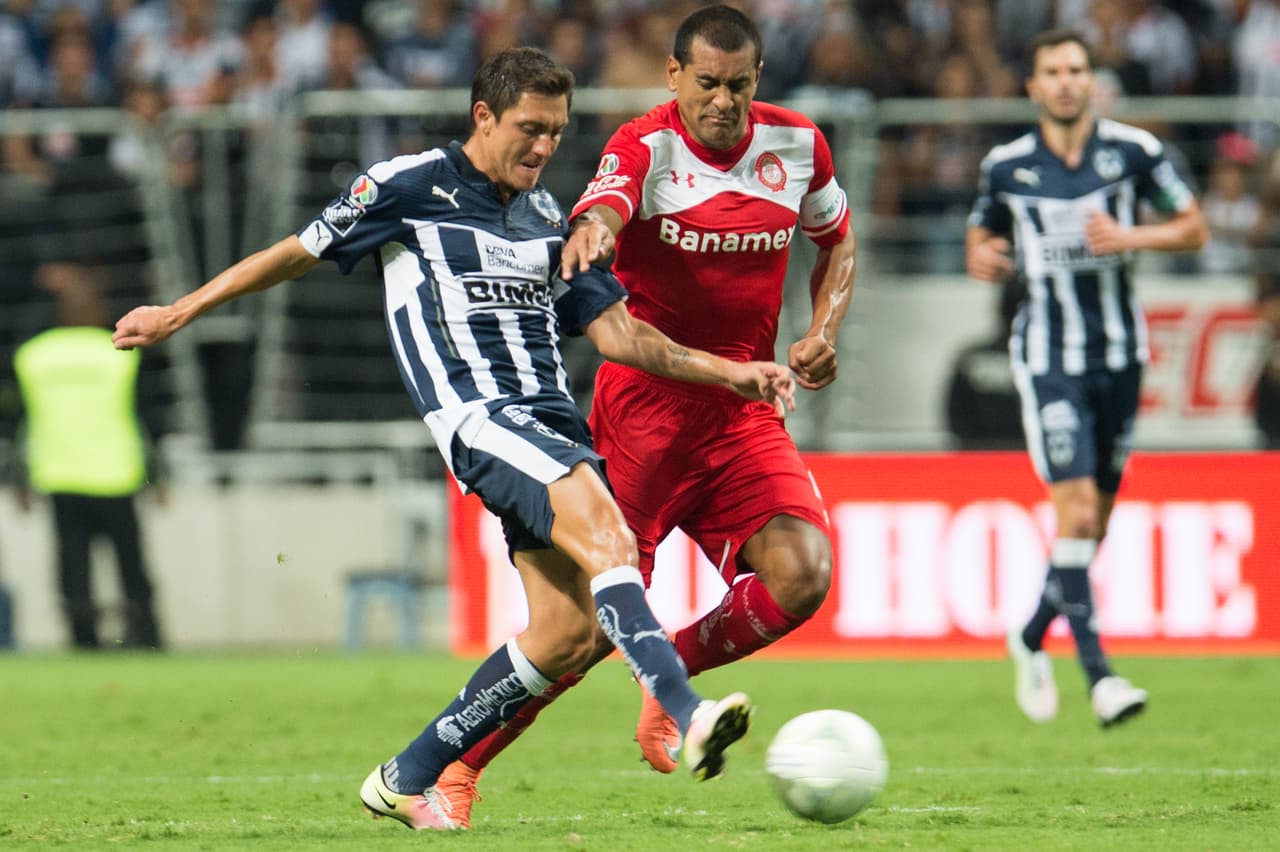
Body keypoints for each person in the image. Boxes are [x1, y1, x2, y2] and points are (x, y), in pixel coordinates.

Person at [112, 47, 784, 831]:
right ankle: (687, 710)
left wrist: (729, 373)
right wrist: (179, 312)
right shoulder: (407, 185)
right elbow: (296, 252)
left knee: (567, 634)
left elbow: (624, 337)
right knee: (615, 544)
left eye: (557, 134)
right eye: (529, 129)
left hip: (552, 424)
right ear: (484, 117)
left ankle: (406, 776)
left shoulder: (549, 221)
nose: (542, 147)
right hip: (481, 417)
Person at [434, 5, 857, 826]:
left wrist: (821, 331)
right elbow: (603, 208)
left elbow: (837, 237)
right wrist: (592, 232)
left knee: (803, 576)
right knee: (583, 630)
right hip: (646, 417)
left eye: (738, 85)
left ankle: (668, 685)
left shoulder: (800, 144)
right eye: (707, 83)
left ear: (757, 80)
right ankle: (457, 765)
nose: (723, 100)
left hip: (744, 410)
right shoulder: (646, 144)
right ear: (674, 77)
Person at [965, 29, 1207, 727]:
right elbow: (981, 232)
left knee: (1093, 525)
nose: (1067, 82)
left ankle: (1032, 633)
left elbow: (1192, 227)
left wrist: (1134, 237)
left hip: (1121, 357)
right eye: (1054, 72)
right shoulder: (1007, 165)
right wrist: (981, 255)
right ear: (1033, 87)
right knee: (1072, 514)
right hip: (1047, 359)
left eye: (1077, 69)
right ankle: (1101, 678)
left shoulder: (1135, 152)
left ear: (1091, 81)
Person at [14, 265, 164, 650]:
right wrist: (160, 475)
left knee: (73, 567)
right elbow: (146, 417)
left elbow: (20, 422)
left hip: (60, 474)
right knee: (131, 564)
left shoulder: (33, 355)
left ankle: (84, 641)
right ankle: (146, 637)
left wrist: (18, 479)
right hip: (116, 473)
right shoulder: (121, 351)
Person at [945, 278, 1027, 450]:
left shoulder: (972, 356)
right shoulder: (1048, 364)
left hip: (978, 459)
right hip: (1031, 457)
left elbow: (956, 414)